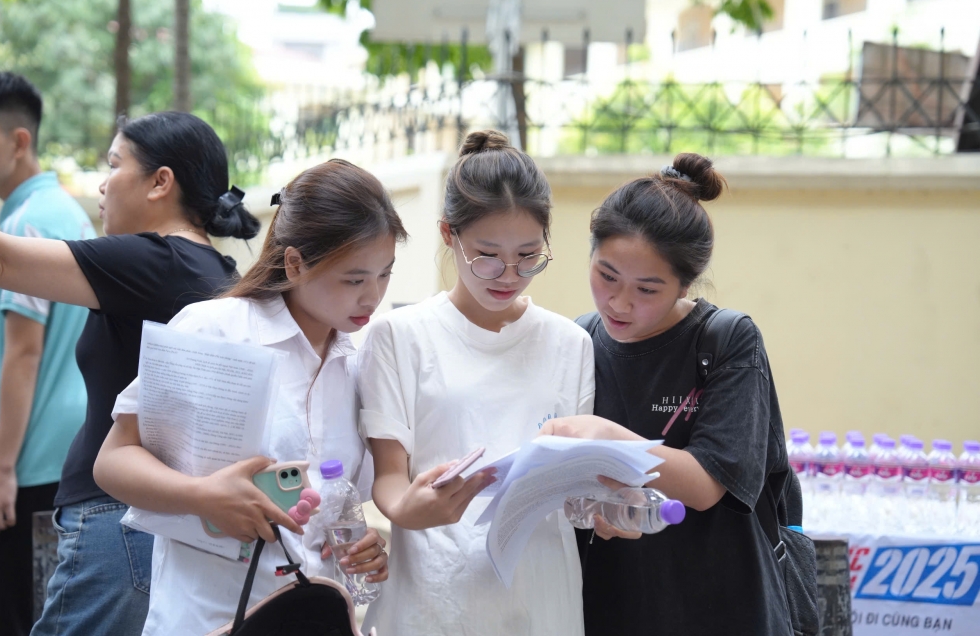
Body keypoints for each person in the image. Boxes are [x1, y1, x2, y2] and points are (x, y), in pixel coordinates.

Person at [95, 159, 399, 635]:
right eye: (354, 279)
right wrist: (202, 496)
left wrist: (362, 548)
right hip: (208, 620)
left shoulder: (357, 363)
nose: (372, 297)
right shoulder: (215, 330)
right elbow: (113, 461)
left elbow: (335, 510)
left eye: (385, 275)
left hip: (313, 618)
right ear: (295, 263)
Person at [0, 111, 255, 636]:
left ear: (160, 182)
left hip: (116, 521)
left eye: (113, 164)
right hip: (159, 524)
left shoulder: (155, 261)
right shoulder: (218, 270)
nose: (103, 185)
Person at [539, 153, 793, 636]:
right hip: (611, 605)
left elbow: (706, 483)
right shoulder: (579, 339)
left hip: (722, 606)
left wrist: (608, 438)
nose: (619, 302)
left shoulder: (726, 340)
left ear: (684, 284)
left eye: (647, 289)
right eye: (606, 276)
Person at [359, 129, 595, 636]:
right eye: (487, 254)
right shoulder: (399, 336)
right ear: (449, 234)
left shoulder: (570, 343)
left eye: (528, 255)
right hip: (434, 598)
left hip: (542, 600)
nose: (508, 274)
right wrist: (408, 509)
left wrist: (607, 502)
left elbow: (576, 491)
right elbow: (389, 477)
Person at [0, 72, 95, 636]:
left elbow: (24, 354)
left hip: (37, 459)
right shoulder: (67, 212)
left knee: (12, 616)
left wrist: (0, 469)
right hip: (75, 449)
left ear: (19, 141)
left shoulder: (26, 224)